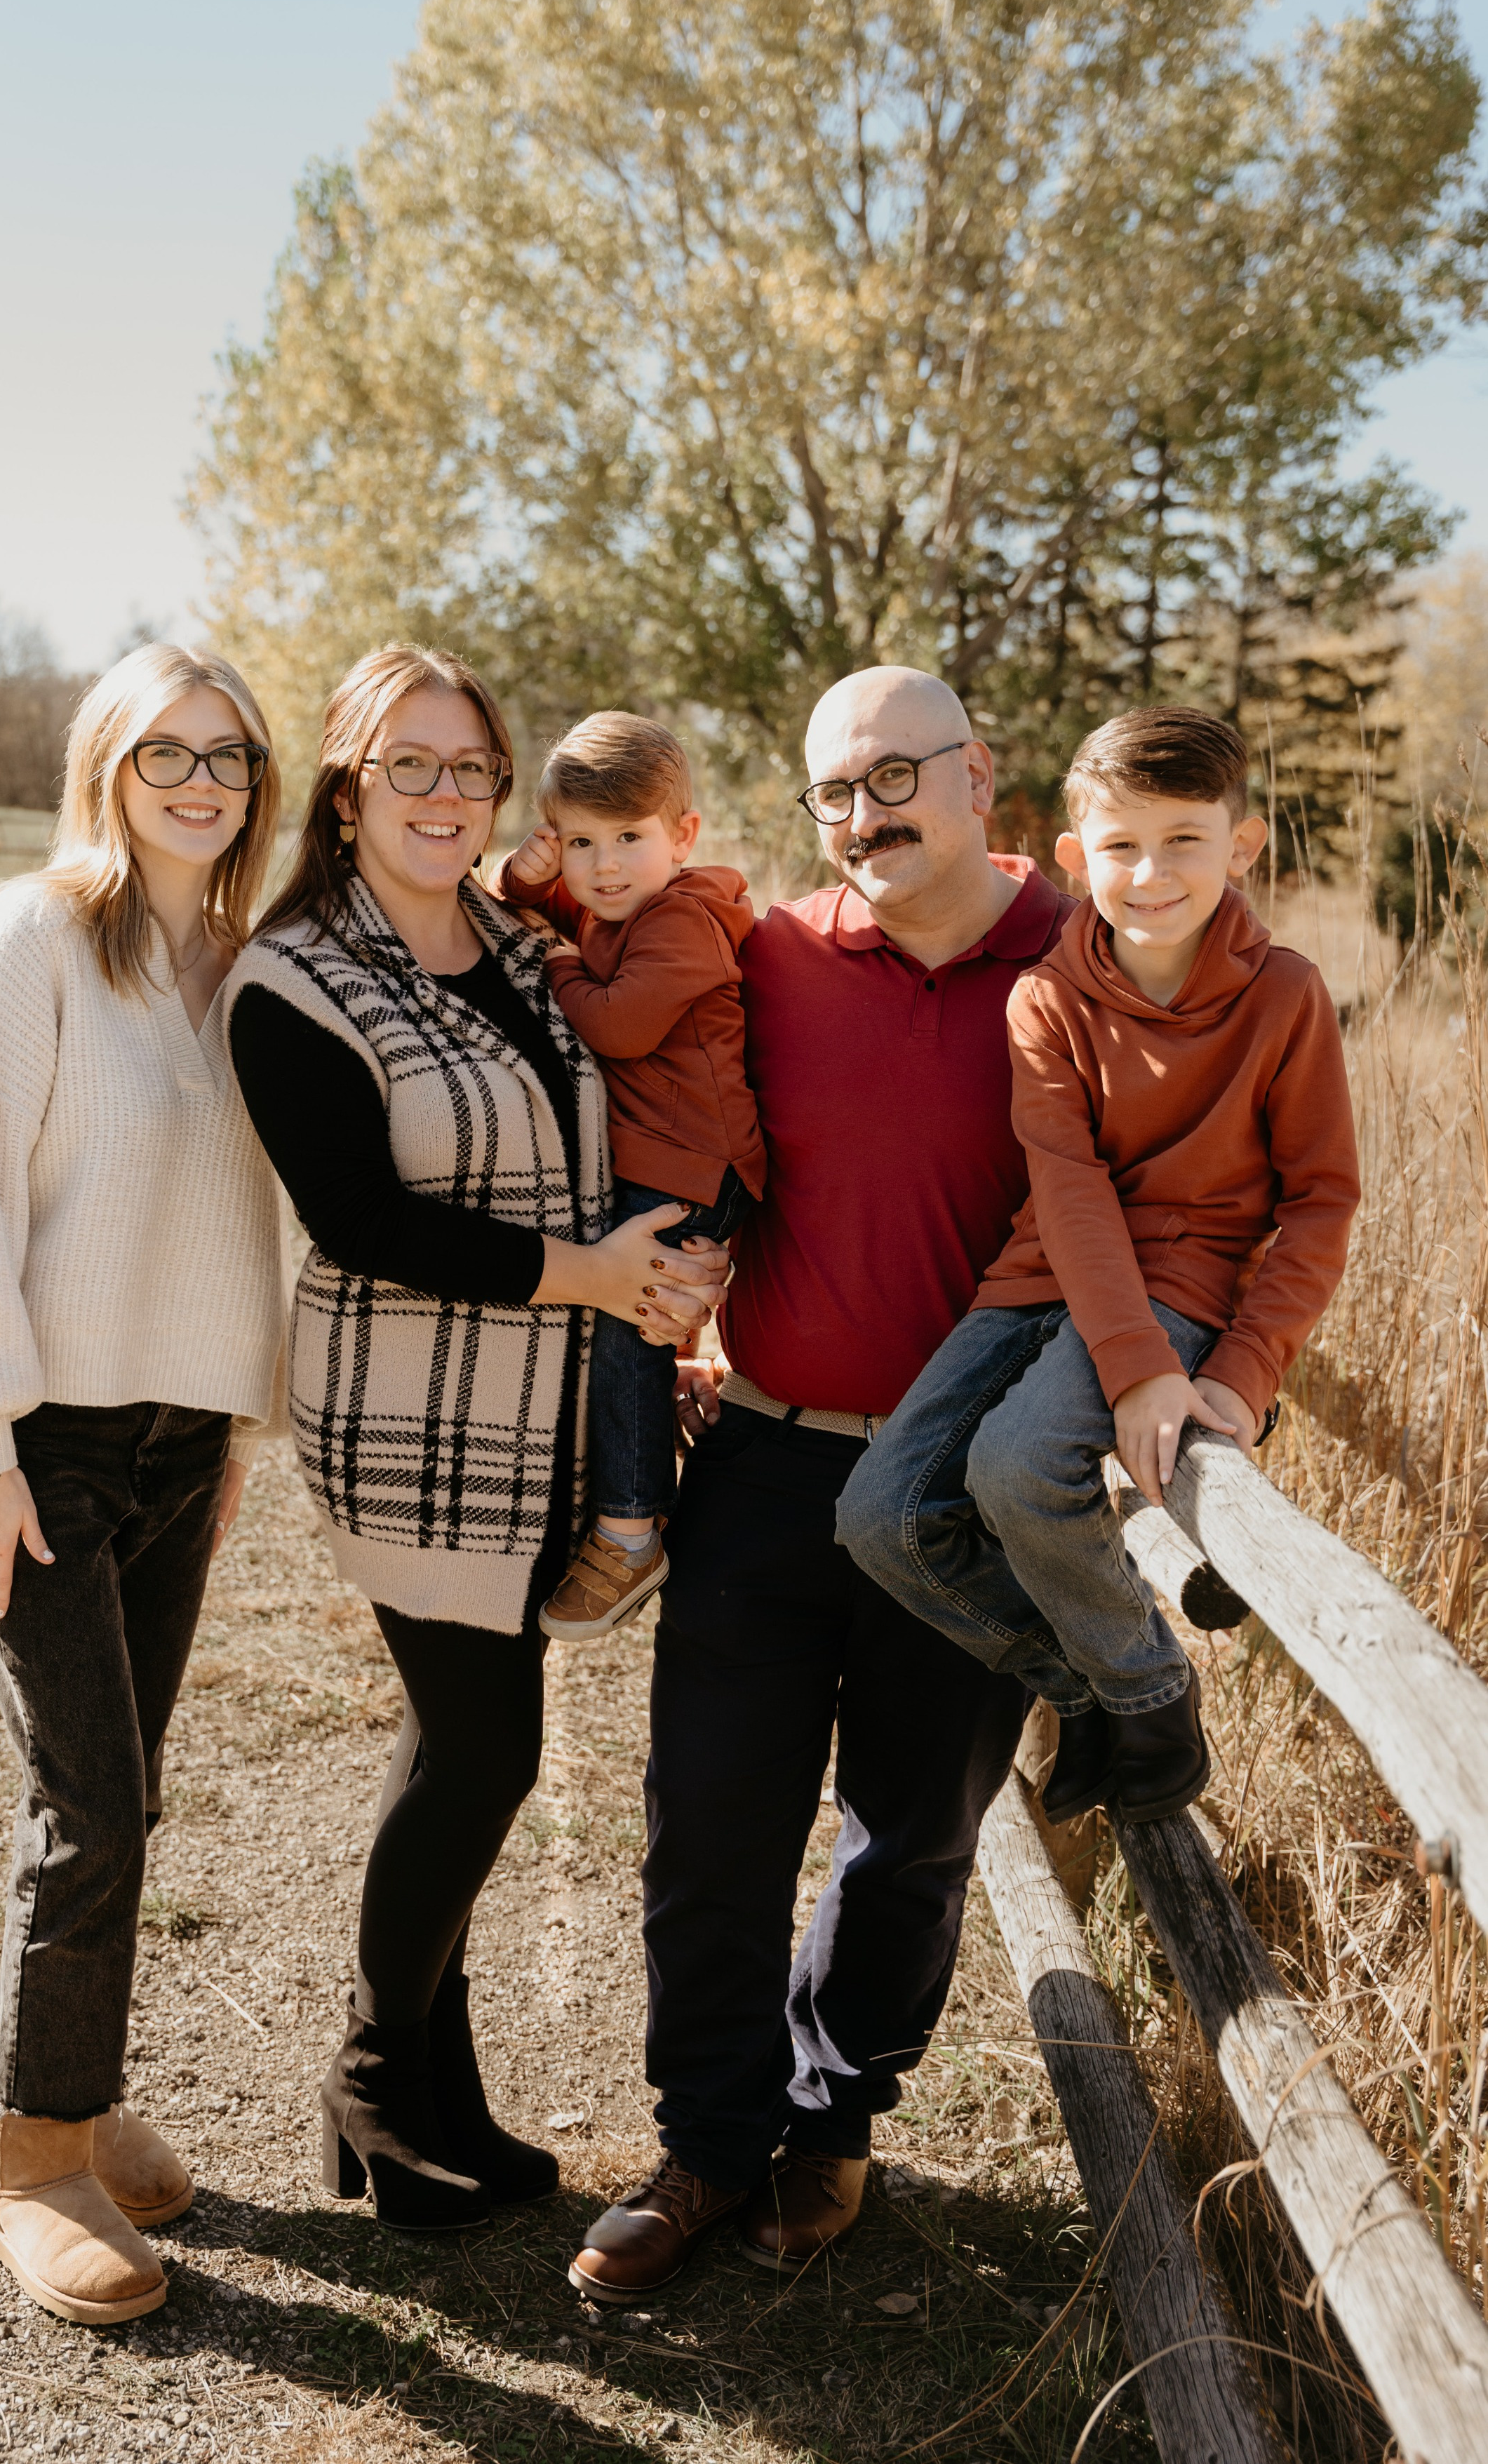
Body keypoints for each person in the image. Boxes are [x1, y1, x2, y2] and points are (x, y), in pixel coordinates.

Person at [568, 666, 1075, 2302]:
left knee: (910, 1840)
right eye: (836, 792)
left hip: (966, 1498)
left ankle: (832, 2121)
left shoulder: (1080, 955)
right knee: (709, 1825)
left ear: (978, 775)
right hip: (767, 1456)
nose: (864, 816)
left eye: (894, 777)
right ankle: (708, 2145)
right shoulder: (768, 954)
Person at [222, 648, 729, 2234]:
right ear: (347, 787)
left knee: (451, 1744)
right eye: (411, 765)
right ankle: (374, 2081)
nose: (445, 795)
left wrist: (670, 1279)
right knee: (487, 1750)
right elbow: (362, 1221)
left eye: (471, 769)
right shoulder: (294, 979)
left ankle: (441, 2091)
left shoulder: (524, 939)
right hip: (413, 1416)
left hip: (546, 1407)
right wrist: (592, 1274)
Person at [0, 643, 287, 2326]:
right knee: (89, 1801)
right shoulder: (34, 935)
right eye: (163, 752)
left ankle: (83, 2085)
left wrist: (234, 1429)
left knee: (130, 1784)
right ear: (105, 767)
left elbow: (240, 1217)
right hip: (45, 1445)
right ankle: (34, 2158)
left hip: (184, 1444)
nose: (200, 781)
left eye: (229, 755)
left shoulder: (246, 964)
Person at [838, 707, 1360, 1826]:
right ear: (1077, 856)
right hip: (1042, 1275)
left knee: (1022, 1467)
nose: (1152, 873)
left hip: (1181, 1283)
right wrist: (1133, 1366)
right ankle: (1097, 1685)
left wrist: (1242, 1372)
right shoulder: (1048, 998)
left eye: (1184, 841)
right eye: (1123, 845)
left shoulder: (1285, 995)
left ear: (1242, 845)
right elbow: (1067, 1189)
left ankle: (1148, 1702)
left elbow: (1322, 1201)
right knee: (883, 1516)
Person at [492, 711, 765, 1639]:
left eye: (628, 839)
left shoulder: (682, 919)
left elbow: (616, 1023)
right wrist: (528, 874)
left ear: (683, 836)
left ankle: (632, 1526)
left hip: (695, 1162)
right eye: (580, 842)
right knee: (620, 1325)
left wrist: (557, 964)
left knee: (629, 1335)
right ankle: (614, 1498)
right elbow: (523, 897)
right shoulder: (622, 905)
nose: (603, 866)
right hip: (660, 1158)